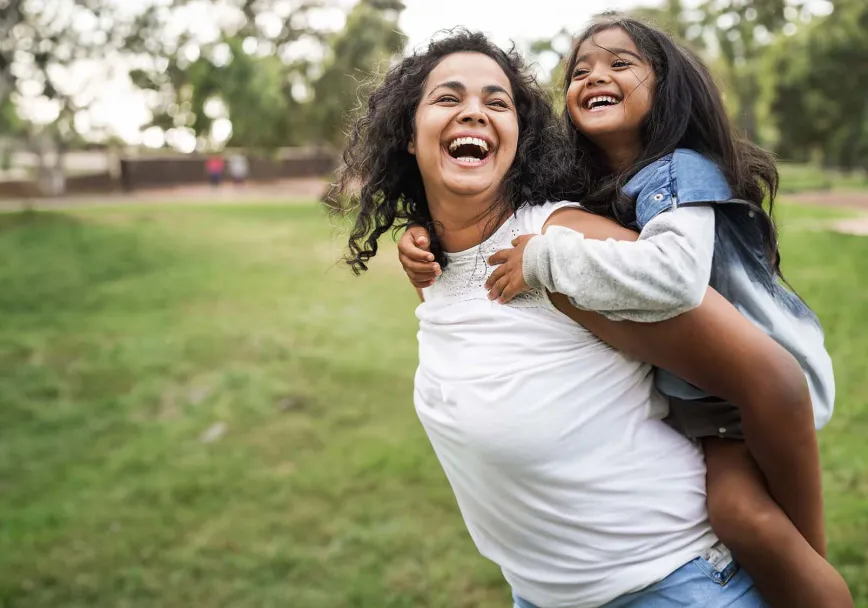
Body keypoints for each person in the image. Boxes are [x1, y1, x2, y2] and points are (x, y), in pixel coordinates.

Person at [328, 28, 828, 607]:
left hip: (674, 586)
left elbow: (772, 378)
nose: (474, 112)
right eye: (448, 97)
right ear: (408, 136)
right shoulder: (435, 263)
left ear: (520, 135)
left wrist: (807, 562)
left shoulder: (559, 248)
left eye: (497, 102)